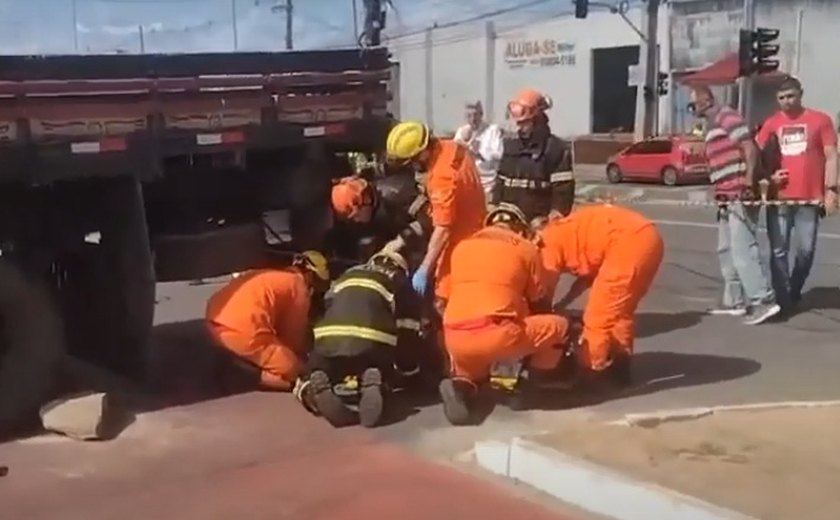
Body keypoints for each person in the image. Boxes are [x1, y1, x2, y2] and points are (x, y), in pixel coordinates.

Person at [439, 202, 571, 425]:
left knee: (471, 364)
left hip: (455, 335)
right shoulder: (524, 248)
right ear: (520, 228)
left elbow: (443, 297)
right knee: (559, 326)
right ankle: (532, 384)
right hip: (498, 333)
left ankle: (462, 387)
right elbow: (539, 297)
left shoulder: (461, 247)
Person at [537, 204, 663, 384]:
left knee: (597, 320)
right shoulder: (568, 231)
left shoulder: (546, 242)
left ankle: (590, 371)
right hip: (648, 238)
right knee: (620, 312)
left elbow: (545, 286)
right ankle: (620, 369)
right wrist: (563, 303)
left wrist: (544, 311)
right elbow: (588, 278)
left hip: (626, 244)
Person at [300, 250, 426, 428]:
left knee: (316, 369)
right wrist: (408, 372)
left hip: (328, 337)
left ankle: (317, 383)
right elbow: (407, 336)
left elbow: (325, 308)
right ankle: (378, 379)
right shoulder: (400, 284)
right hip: (372, 340)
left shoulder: (345, 277)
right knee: (377, 360)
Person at [689, 86, 780, 325]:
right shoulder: (711, 126)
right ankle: (735, 301)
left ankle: (763, 301)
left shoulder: (727, 116)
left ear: (705, 101)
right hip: (725, 197)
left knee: (743, 250)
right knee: (726, 250)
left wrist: (748, 182)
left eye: (693, 105)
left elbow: (749, 148)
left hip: (740, 192)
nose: (692, 111)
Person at [756, 76, 839, 311]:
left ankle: (794, 287)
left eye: (791, 96)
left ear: (800, 94)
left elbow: (832, 155)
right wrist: (768, 178)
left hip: (810, 199)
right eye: (781, 98)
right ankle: (783, 298)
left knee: (806, 250)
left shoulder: (820, 120)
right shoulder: (771, 123)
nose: (786, 102)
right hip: (779, 197)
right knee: (778, 250)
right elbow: (756, 156)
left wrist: (831, 190)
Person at [385, 120, 487, 308]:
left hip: (459, 243)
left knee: (443, 302)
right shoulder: (451, 147)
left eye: (412, 162)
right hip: (477, 227)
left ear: (422, 153)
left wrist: (425, 269)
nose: (413, 168)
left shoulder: (442, 178)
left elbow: (443, 229)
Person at [205, 251, 330, 391]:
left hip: (215, 321)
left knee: (266, 350)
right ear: (310, 274)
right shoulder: (297, 286)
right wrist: (300, 358)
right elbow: (292, 336)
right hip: (244, 333)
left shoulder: (272, 276)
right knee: (294, 370)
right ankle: (244, 375)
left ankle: (235, 358)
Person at [493, 89, 575, 221]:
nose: (519, 128)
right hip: (510, 222)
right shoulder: (511, 146)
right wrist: (494, 208)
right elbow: (500, 184)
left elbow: (563, 196)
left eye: (524, 123)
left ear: (537, 120)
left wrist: (551, 220)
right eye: (518, 123)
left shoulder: (556, 149)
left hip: (540, 226)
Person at [454, 101, 504, 201]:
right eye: (469, 116)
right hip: (467, 184)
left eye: (475, 115)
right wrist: (461, 145)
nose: (472, 119)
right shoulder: (462, 131)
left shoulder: (492, 130)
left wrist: (479, 152)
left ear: (481, 115)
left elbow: (499, 154)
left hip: (487, 185)